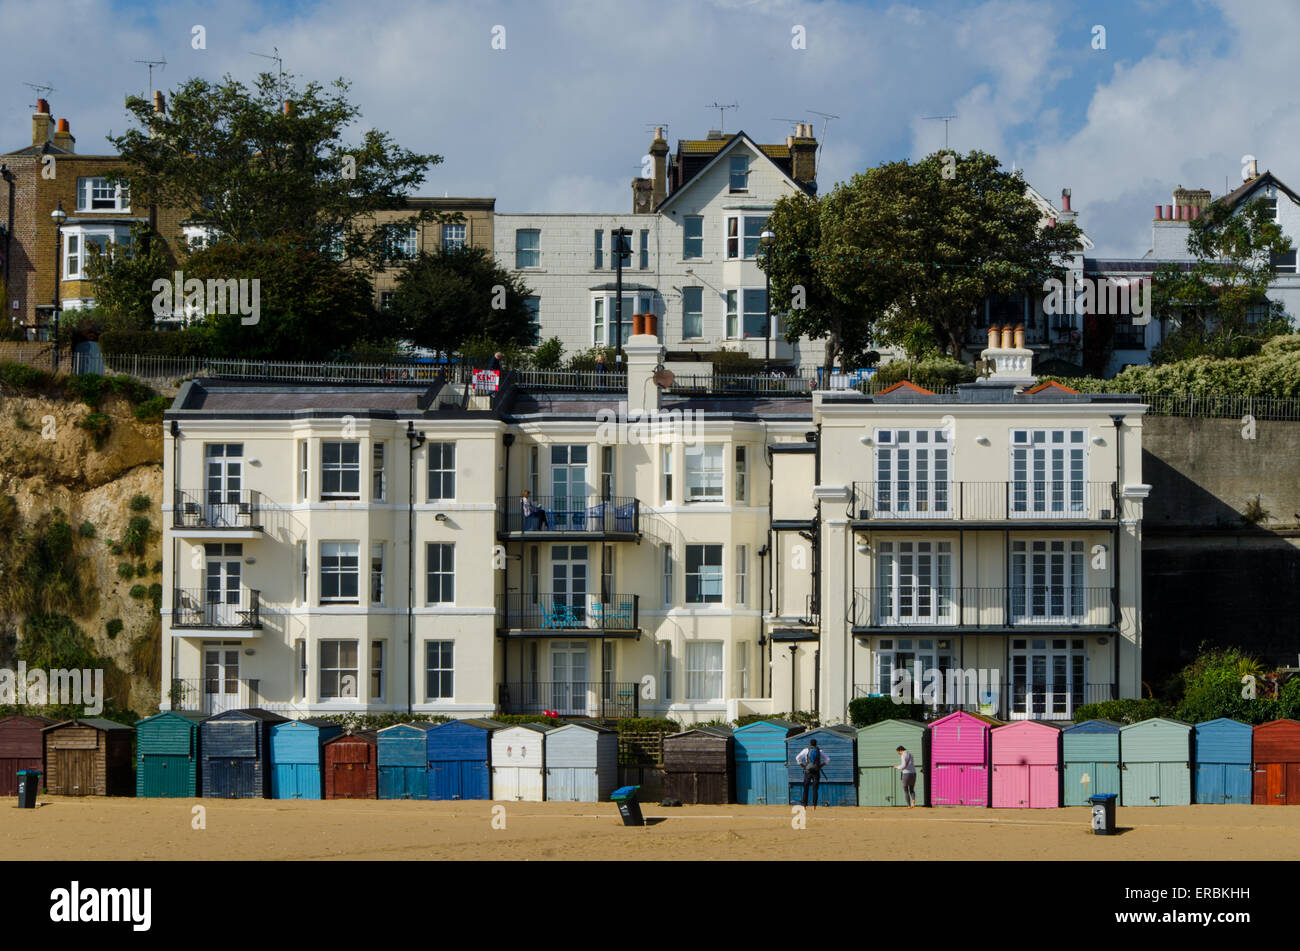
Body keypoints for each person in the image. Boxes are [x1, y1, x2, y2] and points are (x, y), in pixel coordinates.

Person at [795, 738, 829, 808]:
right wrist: (820, 766)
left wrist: (803, 766)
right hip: (816, 771)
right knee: (815, 789)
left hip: (808, 771)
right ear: (816, 744)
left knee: (806, 788)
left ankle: (804, 804)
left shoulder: (806, 750)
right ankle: (814, 805)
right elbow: (828, 759)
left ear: (810, 744)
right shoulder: (819, 751)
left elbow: (797, 758)